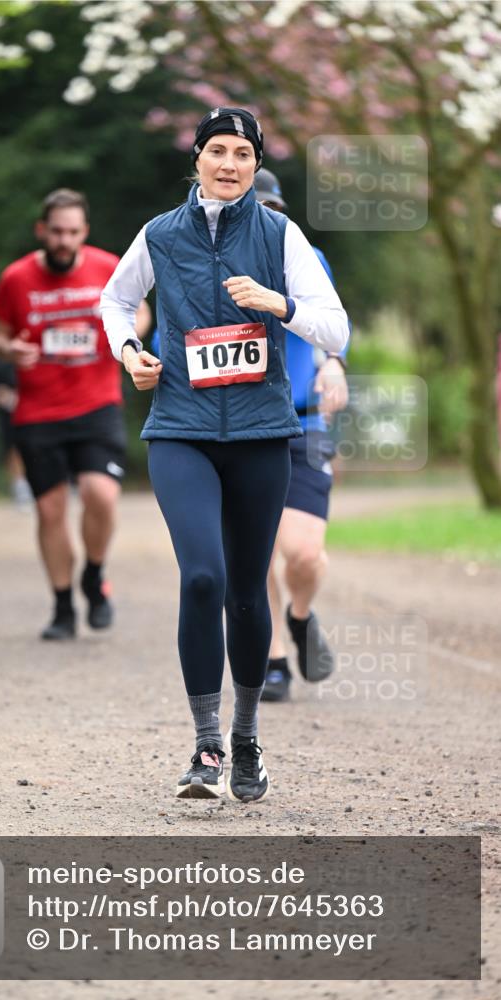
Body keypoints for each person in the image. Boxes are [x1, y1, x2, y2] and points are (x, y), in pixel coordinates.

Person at [101, 108, 349, 803]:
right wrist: (129, 353)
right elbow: (114, 300)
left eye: (243, 153)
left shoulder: (280, 234)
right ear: (198, 158)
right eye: (218, 150)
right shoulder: (160, 234)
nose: (230, 163)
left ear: (253, 162)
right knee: (202, 578)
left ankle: (246, 742)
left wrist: (278, 302)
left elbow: (334, 323)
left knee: (245, 590)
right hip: (179, 427)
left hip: (262, 435)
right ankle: (205, 745)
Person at [0, 188, 151, 640]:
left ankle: (93, 576)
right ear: (42, 231)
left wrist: (127, 334)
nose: (64, 240)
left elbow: (142, 312)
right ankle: (62, 607)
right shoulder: (16, 278)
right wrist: (10, 349)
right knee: (50, 509)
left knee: (101, 494)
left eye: (72, 232)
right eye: (56, 231)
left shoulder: (107, 267)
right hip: (38, 411)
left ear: (85, 233)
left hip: (96, 403)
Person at [252, 168, 350, 702]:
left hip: (303, 421)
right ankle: (273, 661)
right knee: (257, 548)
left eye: (275, 211)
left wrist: (334, 363)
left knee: (304, 554)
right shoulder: (208, 264)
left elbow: (333, 326)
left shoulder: (306, 258)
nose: (269, 220)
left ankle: (300, 616)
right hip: (241, 424)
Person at [0, 359, 32, 509]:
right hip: (10, 416)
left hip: (36, 415)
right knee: (13, 451)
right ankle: (20, 488)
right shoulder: (1, 365)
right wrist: (9, 399)